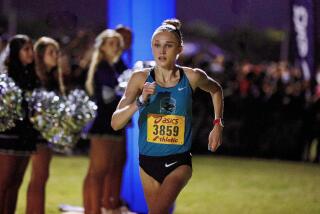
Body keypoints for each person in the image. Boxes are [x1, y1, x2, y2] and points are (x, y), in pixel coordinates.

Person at [111, 19, 224, 214]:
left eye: (168, 46)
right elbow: (115, 123)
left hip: (178, 161)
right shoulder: (139, 78)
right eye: (157, 45)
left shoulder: (192, 77)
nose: (161, 51)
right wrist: (140, 102)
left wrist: (217, 124)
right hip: (147, 162)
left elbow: (216, 90)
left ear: (179, 49)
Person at [83, 29, 126, 214]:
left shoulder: (112, 66)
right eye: (110, 43)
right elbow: (108, 97)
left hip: (111, 123)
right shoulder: (101, 66)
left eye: (117, 43)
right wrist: (127, 93)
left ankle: (97, 208)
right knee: (98, 172)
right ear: (101, 47)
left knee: (103, 170)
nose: (115, 46)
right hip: (102, 123)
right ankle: (93, 210)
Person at [0, 34, 39, 214]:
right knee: (4, 182)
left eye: (31, 49)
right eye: (26, 49)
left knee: (16, 183)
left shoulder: (33, 77)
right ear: (16, 52)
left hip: (27, 136)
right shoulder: (6, 77)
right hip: (9, 136)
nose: (31, 53)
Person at [26, 36, 64, 214]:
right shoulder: (35, 79)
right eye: (51, 52)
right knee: (39, 177)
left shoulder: (52, 78)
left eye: (56, 51)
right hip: (36, 135)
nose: (56, 55)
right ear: (40, 56)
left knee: (42, 177)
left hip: (47, 135)